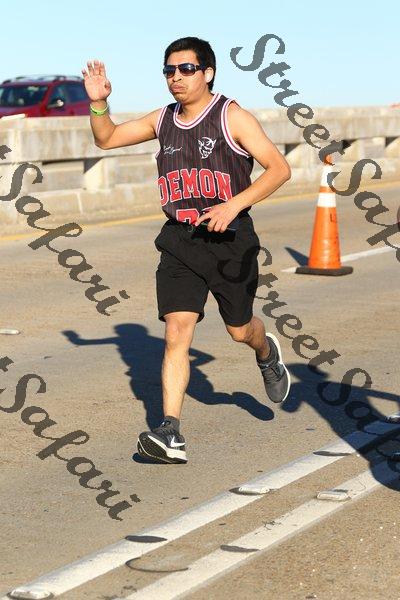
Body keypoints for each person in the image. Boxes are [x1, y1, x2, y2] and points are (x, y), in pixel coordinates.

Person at [84, 36, 292, 465]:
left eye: (186, 69)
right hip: (180, 239)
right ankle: (171, 432)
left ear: (207, 73)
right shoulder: (162, 120)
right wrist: (99, 103)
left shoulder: (231, 116)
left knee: (239, 330)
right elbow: (107, 139)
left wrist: (233, 205)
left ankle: (266, 351)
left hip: (230, 239)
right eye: (169, 70)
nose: (176, 78)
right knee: (177, 332)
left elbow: (279, 169)